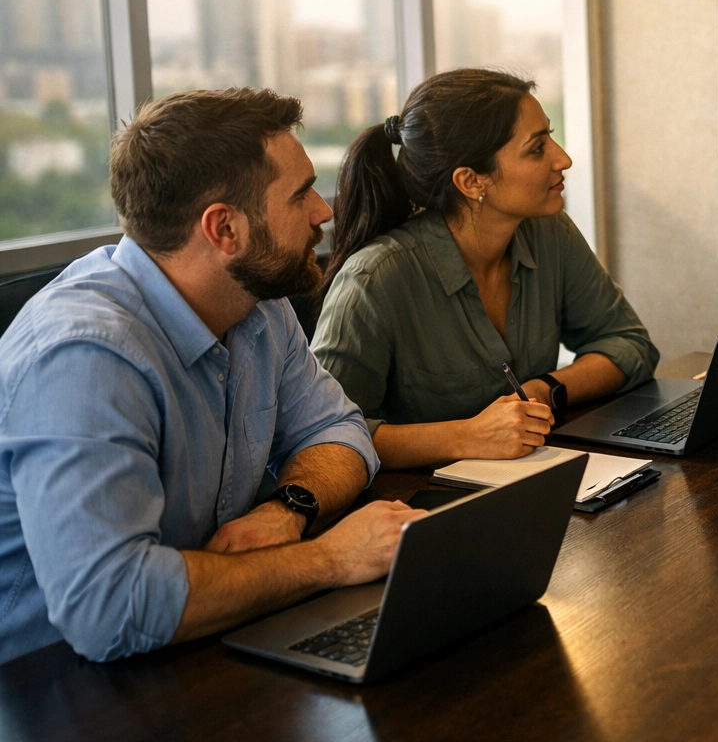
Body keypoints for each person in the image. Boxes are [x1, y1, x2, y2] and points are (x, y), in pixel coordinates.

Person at [0, 89, 426, 666]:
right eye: (300, 194)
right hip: (54, 694)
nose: (323, 212)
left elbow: (341, 431)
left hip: (202, 635)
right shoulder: (85, 358)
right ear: (224, 229)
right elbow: (112, 609)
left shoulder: (257, 303)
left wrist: (289, 508)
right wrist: (331, 559)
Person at [312, 68, 658, 469]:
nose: (563, 159)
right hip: (412, 509)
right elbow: (324, 438)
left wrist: (545, 390)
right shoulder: (374, 280)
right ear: (471, 181)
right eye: (537, 148)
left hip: (528, 484)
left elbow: (630, 345)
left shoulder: (549, 232)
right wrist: (468, 436)